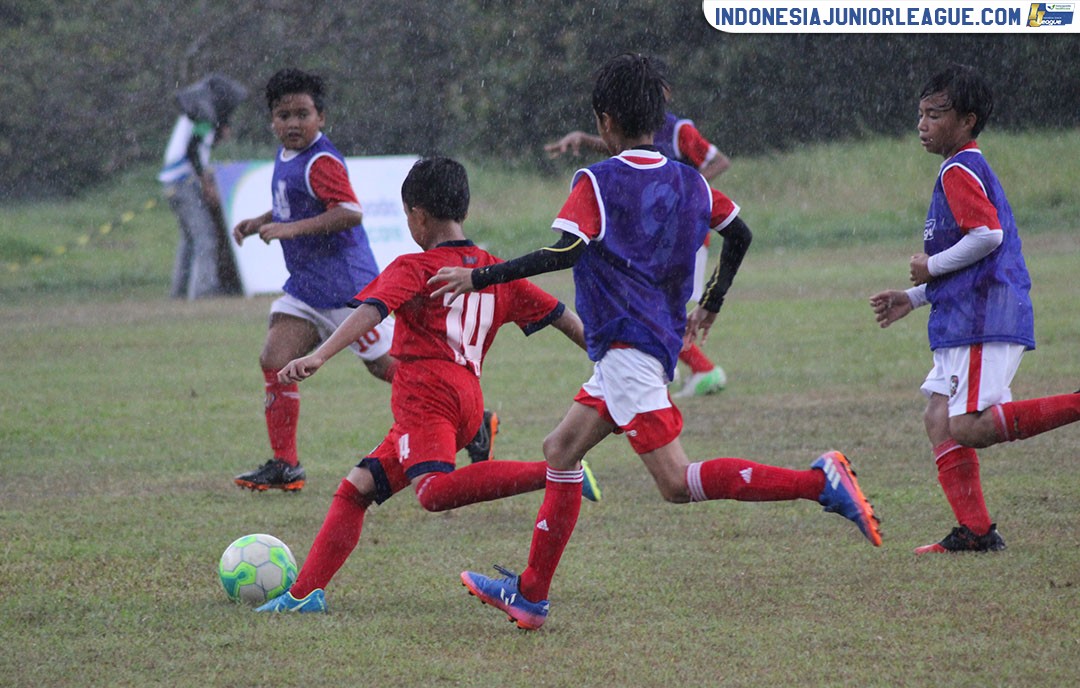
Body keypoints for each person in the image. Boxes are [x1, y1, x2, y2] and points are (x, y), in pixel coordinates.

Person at [432, 53, 881, 631]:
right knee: (561, 450)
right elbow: (740, 234)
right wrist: (712, 300)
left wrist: (480, 276)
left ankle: (819, 483)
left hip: (628, 348)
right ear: (656, 116)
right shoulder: (691, 180)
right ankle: (531, 595)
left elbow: (565, 251)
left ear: (605, 121)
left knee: (675, 482)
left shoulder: (596, 180)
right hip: (644, 344)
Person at [254, 157, 599, 613]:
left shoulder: (415, 266)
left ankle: (558, 472)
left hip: (427, 396)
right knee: (356, 489)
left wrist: (319, 355)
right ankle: (304, 595)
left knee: (433, 492)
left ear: (416, 216)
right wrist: (608, 360)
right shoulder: (495, 272)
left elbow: (373, 310)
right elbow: (563, 317)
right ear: (464, 210)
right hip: (466, 398)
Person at [870, 64, 1080, 555]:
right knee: (938, 417)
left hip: (984, 316)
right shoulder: (958, 167)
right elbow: (970, 262)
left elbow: (988, 236)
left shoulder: (960, 168)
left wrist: (929, 266)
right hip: (967, 312)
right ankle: (977, 531)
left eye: (935, 115)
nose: (922, 125)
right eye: (920, 114)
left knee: (968, 425)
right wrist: (914, 298)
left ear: (967, 121)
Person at [230, 68, 402, 492]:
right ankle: (285, 465)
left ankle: (470, 421)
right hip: (308, 287)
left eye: (302, 114)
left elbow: (349, 212)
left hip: (347, 290)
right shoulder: (287, 154)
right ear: (272, 119)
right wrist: (261, 220)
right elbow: (294, 205)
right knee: (275, 358)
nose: (293, 123)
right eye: (283, 115)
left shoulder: (322, 161)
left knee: (389, 368)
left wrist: (287, 230)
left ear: (320, 117)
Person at [544, 62, 732, 399]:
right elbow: (624, 150)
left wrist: (685, 193)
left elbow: (719, 162)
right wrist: (583, 139)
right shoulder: (633, 130)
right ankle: (671, 366)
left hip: (676, 234)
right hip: (642, 236)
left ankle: (698, 368)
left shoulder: (679, 131)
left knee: (654, 307)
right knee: (649, 307)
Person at [160, 73, 247, 300]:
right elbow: (192, 151)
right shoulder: (203, 116)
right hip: (183, 182)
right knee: (205, 238)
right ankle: (203, 291)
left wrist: (217, 136)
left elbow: (197, 146)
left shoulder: (197, 113)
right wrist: (206, 183)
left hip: (173, 181)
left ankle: (180, 292)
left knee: (189, 240)